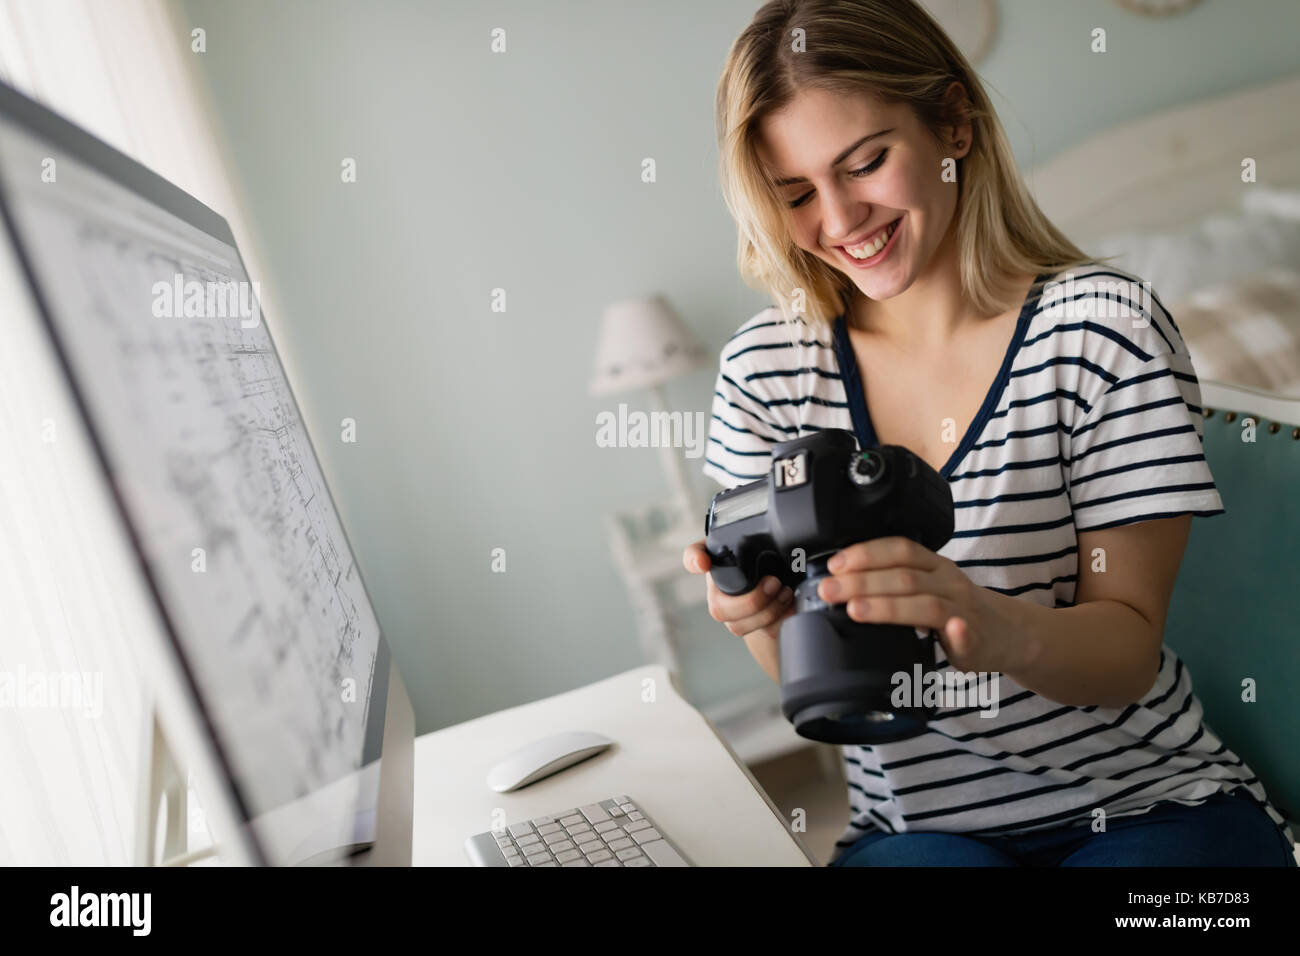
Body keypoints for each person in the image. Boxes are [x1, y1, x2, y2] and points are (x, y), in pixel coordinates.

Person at [682, 0, 1296, 867]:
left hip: (1153, 807)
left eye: (865, 164)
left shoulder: (1101, 330)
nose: (841, 219)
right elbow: (811, 679)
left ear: (953, 123)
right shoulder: (766, 373)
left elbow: (1124, 649)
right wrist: (754, 618)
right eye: (794, 195)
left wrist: (980, 619)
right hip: (918, 834)